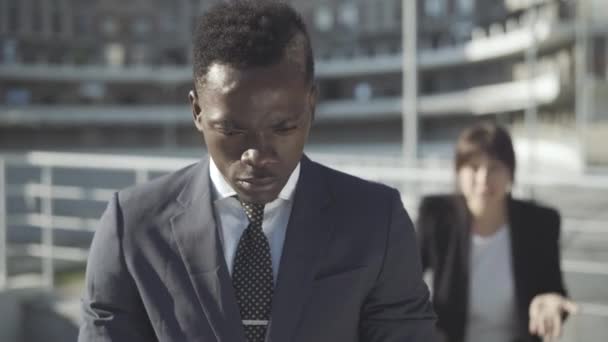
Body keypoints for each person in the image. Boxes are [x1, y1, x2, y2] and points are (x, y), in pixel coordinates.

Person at [78, 1, 437, 341]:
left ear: (311, 105)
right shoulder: (132, 228)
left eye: (282, 128)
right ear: (197, 111)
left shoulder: (377, 220)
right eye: (232, 130)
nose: (256, 154)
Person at [416, 122, 577, 342]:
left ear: (510, 173)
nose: (483, 179)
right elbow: (403, 281)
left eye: (494, 168)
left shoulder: (540, 223)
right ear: (457, 171)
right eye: (473, 167)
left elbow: (553, 290)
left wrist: (551, 303)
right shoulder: (436, 216)